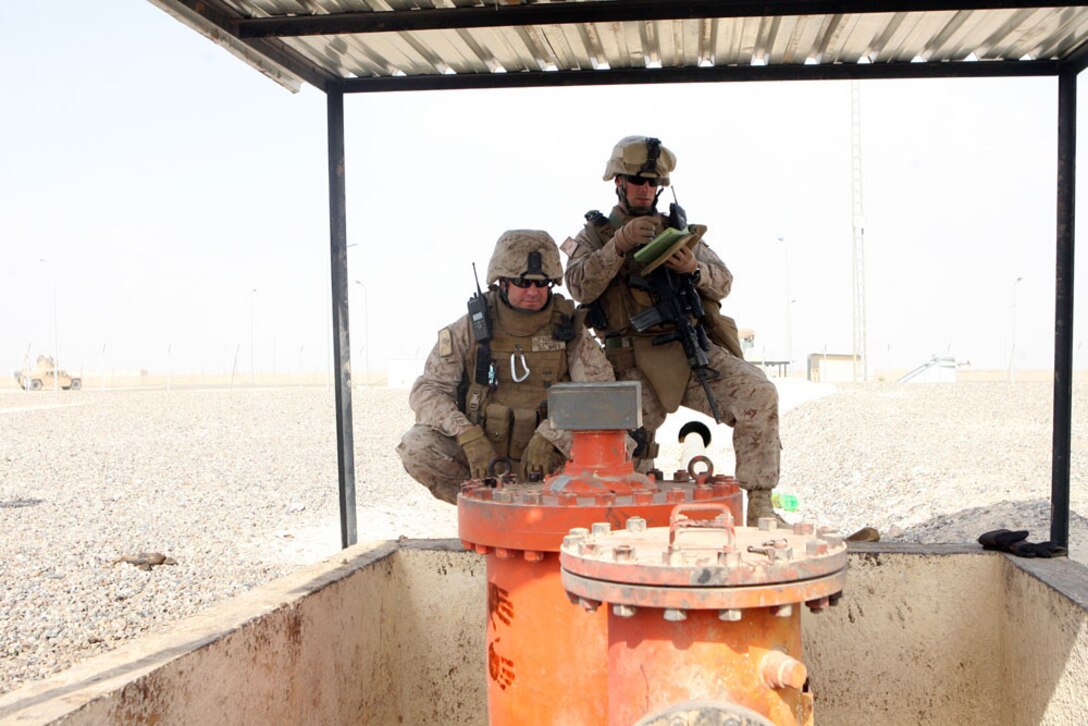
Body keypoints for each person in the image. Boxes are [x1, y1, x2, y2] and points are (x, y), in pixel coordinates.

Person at [562, 136, 783, 526]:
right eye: (637, 181)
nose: (645, 189)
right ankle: (624, 520)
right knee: (624, 444)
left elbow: (724, 282)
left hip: (689, 350)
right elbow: (579, 286)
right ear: (618, 183)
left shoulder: (675, 230)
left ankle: (762, 507)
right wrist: (618, 246)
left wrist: (692, 268)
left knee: (759, 393)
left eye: (653, 183)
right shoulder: (593, 236)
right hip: (630, 360)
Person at [397, 229, 615, 504]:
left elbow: (599, 392)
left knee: (619, 447)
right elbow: (428, 391)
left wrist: (551, 436)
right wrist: (467, 436)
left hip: (550, 456)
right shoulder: (470, 328)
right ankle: (485, 505)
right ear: (502, 283)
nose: (534, 292)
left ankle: (558, 509)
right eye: (523, 283)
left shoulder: (569, 328)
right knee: (417, 446)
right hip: (485, 455)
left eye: (542, 284)